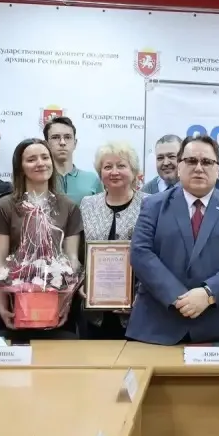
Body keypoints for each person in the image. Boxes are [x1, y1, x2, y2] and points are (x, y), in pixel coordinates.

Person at [127, 133, 219, 344]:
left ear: (218, 170)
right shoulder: (152, 206)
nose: (199, 168)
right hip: (158, 326)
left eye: (207, 162)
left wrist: (209, 293)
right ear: (179, 166)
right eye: (191, 161)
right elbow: (140, 253)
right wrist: (179, 298)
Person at [0, 138, 84, 337]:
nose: (40, 163)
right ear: (20, 167)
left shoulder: (68, 207)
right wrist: (2, 305)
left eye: (45, 157)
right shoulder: (4, 206)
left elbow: (72, 259)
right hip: (16, 305)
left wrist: (65, 303)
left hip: (58, 306)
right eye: (31, 159)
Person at [79, 141, 145, 339]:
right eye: (108, 167)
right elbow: (80, 252)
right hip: (95, 313)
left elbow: (158, 255)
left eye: (121, 165)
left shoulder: (150, 204)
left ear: (134, 171)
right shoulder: (87, 205)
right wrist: (81, 283)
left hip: (138, 310)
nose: (114, 172)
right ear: (100, 173)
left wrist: (142, 296)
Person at [45, 116, 102, 203]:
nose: (62, 142)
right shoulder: (40, 179)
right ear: (46, 144)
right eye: (55, 137)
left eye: (67, 137)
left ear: (75, 143)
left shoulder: (92, 179)